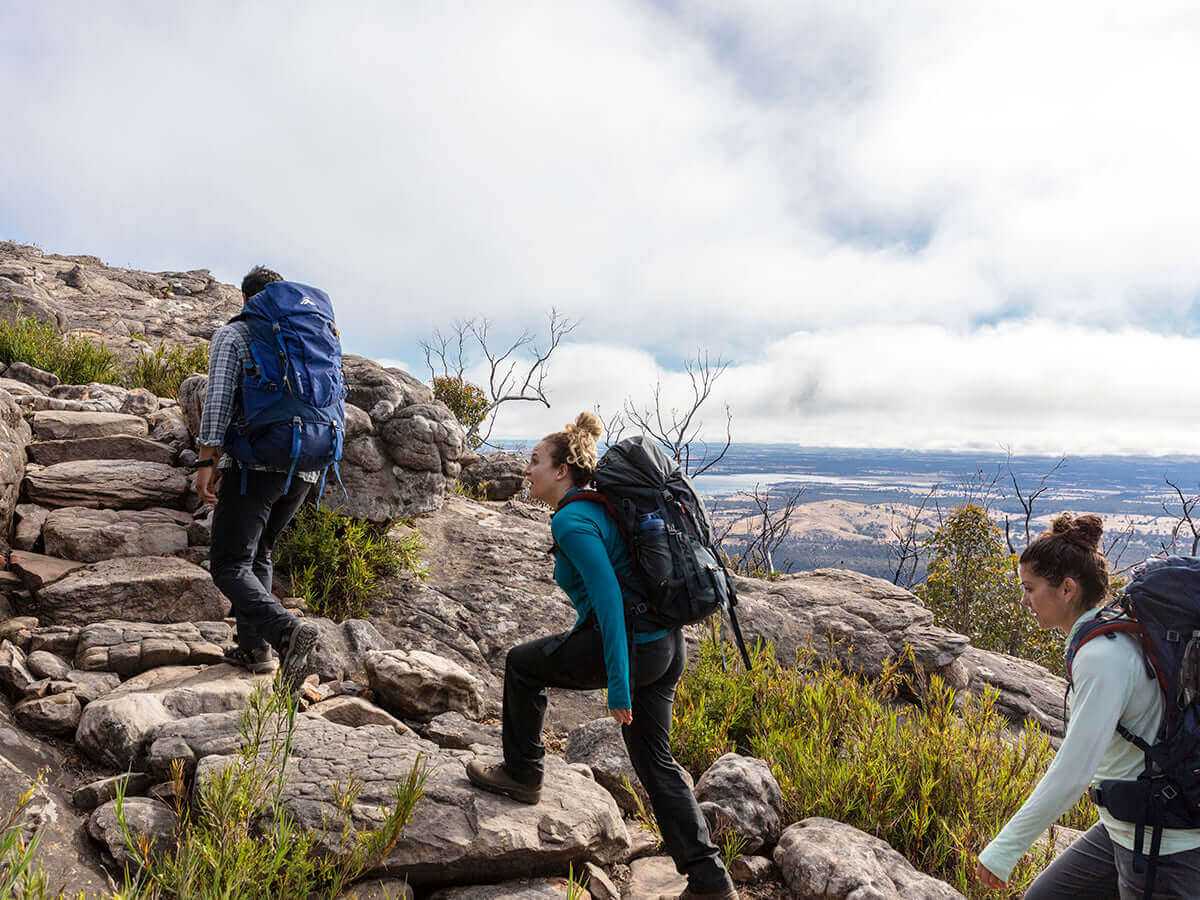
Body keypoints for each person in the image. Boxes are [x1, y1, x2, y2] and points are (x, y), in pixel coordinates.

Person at [465, 412, 738, 900]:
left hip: (635, 649)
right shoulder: (598, 507)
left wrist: (618, 685)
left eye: (535, 462)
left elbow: (610, 601)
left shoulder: (573, 519)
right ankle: (710, 880)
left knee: (523, 665)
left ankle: (523, 774)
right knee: (656, 761)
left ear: (562, 470)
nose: (527, 471)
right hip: (666, 645)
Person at [975, 514, 1200, 898]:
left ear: (1066, 588)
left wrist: (1005, 848)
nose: (1024, 600)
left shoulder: (1101, 656)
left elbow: (1075, 768)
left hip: (1161, 846)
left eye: (1030, 588)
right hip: (1122, 827)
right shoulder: (1110, 633)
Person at [193, 265, 320, 687]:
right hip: (307, 464)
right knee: (260, 552)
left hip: (257, 465)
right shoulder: (310, 335)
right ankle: (255, 650)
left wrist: (206, 462)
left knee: (229, 563)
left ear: (246, 299)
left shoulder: (236, 334)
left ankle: (285, 631)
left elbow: (217, 402)